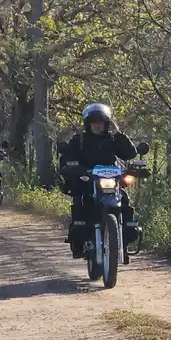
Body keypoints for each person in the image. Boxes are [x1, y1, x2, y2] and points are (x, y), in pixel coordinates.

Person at [59, 103, 139, 256]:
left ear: (107, 123)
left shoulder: (113, 139)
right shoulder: (79, 140)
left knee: (124, 198)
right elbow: (67, 157)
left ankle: (126, 234)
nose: (97, 125)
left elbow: (130, 154)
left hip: (111, 182)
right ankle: (80, 238)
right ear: (88, 124)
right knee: (81, 199)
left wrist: (118, 133)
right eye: (94, 122)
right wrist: (71, 167)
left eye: (101, 122)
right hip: (87, 180)